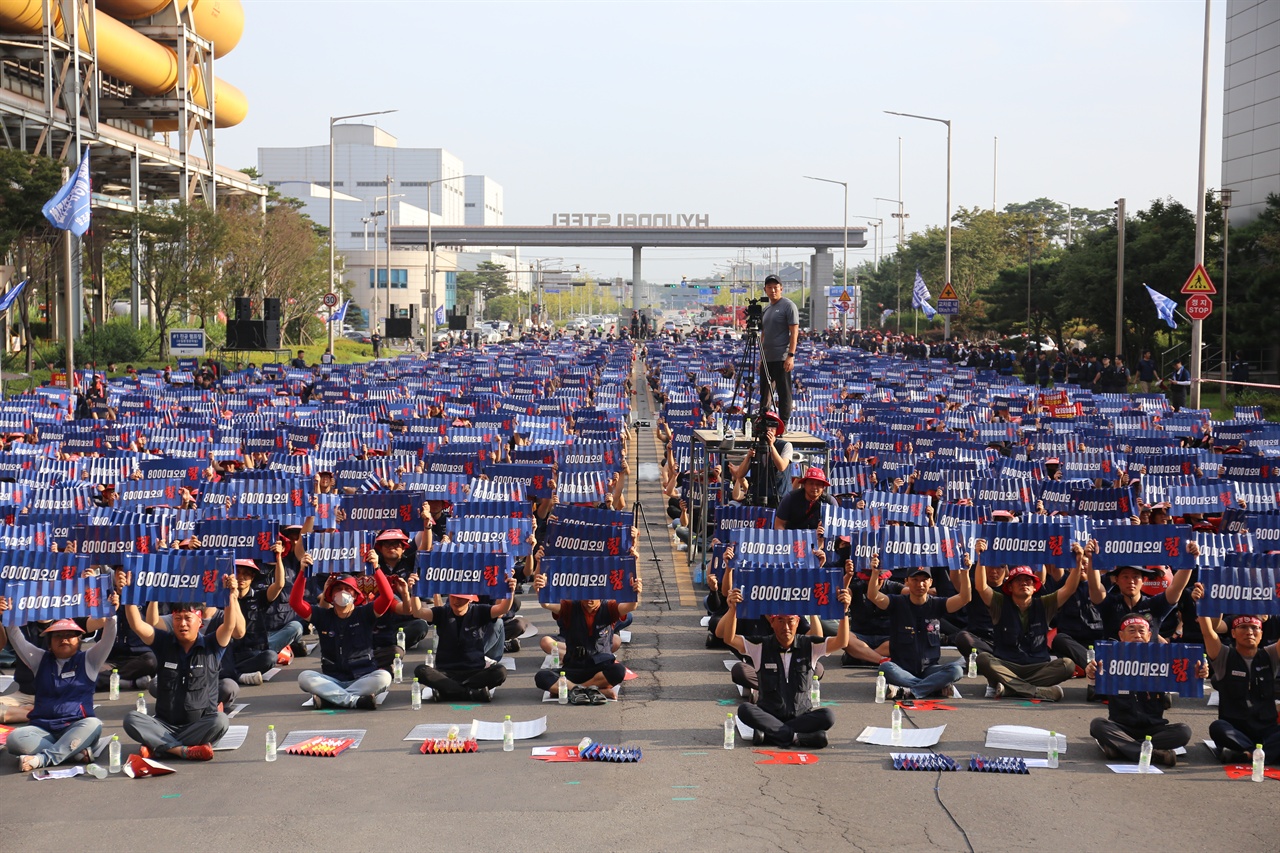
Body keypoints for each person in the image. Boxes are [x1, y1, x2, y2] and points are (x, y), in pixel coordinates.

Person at [717, 565, 851, 749]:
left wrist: (843, 612)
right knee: (745, 710)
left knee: (828, 716)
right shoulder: (761, 645)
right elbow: (729, 638)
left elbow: (842, 642)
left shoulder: (809, 644)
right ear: (772, 622)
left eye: (790, 621)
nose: (786, 627)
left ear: (798, 622)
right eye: (780, 621)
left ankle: (772, 735)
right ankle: (796, 737)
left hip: (801, 716)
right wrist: (733, 609)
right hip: (769, 714)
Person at [120, 576, 240, 762]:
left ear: (199, 621)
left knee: (220, 721)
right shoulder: (163, 642)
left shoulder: (212, 645)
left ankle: (160, 747)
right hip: (165, 724)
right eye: (177, 619)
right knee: (131, 719)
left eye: (187, 618)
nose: (182, 623)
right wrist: (127, 593)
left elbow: (230, 625)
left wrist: (231, 595)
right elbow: (137, 625)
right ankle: (181, 750)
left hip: (199, 725)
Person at [0, 602, 115, 771]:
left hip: (77, 726)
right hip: (43, 728)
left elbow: (109, 637)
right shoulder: (39, 659)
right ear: (49, 643)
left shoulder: (89, 660)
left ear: (79, 640)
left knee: (94, 724)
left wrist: (111, 612)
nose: (64, 639)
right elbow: (17, 638)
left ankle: (42, 759)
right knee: (15, 739)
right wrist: (7, 613)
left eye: (70, 635)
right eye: (58, 636)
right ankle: (73, 752)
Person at [972, 540, 1086, 701]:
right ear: (1010, 587)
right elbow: (981, 587)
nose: (1024, 583)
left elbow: (1069, 589)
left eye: (1028, 581)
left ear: (1035, 587)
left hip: (1037, 666)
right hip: (1007, 665)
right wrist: (980, 557)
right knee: (983, 659)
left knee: (1067, 665)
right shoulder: (999, 603)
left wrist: (1079, 560)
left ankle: (1011, 688)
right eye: (1018, 580)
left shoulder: (1044, 604)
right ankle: (1035, 691)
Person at [1086, 614, 1203, 767]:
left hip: (1154, 729)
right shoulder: (1109, 659)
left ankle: (1122, 749)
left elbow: (1185, 681)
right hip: (1122, 726)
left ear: (1149, 636)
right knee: (1098, 725)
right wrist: (1091, 673)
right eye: (1132, 631)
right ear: (1121, 636)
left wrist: (1198, 673)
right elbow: (1095, 681)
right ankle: (1153, 754)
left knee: (1183, 731)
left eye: (1142, 631)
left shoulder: (1163, 660)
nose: (1137, 635)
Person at [289, 570, 395, 710]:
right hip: (332, 679)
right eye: (338, 589)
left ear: (355, 594)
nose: (342, 592)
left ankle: (330, 699)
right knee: (304, 677)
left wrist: (376, 569)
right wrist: (303, 572)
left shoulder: (365, 613)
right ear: (331, 595)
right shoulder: (322, 616)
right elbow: (295, 603)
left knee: (384, 677)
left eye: (347, 589)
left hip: (363, 677)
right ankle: (355, 701)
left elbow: (387, 598)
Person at [866, 561, 972, 701]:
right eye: (915, 580)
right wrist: (875, 573)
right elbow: (873, 595)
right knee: (885, 667)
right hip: (902, 669)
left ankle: (911, 690)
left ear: (931, 582)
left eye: (924, 580)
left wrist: (965, 572)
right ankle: (934, 688)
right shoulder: (897, 603)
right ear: (906, 582)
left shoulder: (937, 604)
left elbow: (965, 598)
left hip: (930, 670)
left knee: (956, 670)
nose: (919, 584)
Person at [532, 571, 642, 703]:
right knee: (542, 676)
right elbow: (547, 604)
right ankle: (593, 690)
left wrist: (635, 592)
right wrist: (541, 590)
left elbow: (631, 606)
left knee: (618, 671)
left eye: (594, 596)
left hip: (599, 667)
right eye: (586, 595)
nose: (589, 600)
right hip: (574, 667)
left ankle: (574, 690)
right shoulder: (570, 606)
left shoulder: (609, 607)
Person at [403, 576, 519, 702]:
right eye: (453, 597)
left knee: (500, 671)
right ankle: (470, 692)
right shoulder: (442, 612)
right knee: (421, 670)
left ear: (470, 600)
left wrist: (510, 591)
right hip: (446, 673)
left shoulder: (480, 611)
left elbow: (503, 609)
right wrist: (414, 592)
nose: (456, 601)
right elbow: (418, 612)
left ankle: (449, 691)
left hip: (474, 672)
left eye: (461, 599)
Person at [1197, 608, 1280, 764]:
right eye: (1243, 627)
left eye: (1254, 627)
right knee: (1217, 727)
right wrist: (1203, 604)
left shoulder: (1270, 655)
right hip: (1235, 730)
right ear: (1233, 633)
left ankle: (1247, 755)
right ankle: (1262, 753)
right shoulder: (1224, 655)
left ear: (1261, 634)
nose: (1249, 631)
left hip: (1266, 729)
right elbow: (1208, 632)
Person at [728, 410, 793, 507]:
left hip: (779, 498)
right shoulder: (755, 446)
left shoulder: (786, 446)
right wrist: (748, 457)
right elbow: (740, 474)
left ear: (776, 429)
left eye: (772, 426)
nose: (769, 430)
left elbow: (782, 467)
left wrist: (771, 446)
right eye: (767, 426)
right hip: (757, 497)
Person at [758, 274, 799, 429]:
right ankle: (764, 420)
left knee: (784, 392)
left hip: (782, 356)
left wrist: (791, 355)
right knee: (765, 392)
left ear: (781, 288)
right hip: (767, 358)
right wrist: (761, 357)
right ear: (765, 290)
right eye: (769, 287)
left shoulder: (788, 306)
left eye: (775, 287)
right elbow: (764, 334)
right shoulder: (766, 309)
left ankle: (784, 423)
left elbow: (794, 332)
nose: (773, 290)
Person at [773, 467, 838, 531]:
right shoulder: (790, 498)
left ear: (823, 487)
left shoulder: (830, 502)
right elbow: (779, 524)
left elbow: (836, 528)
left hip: (819, 539)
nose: (814, 487)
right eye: (811, 483)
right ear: (804, 484)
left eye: (818, 484)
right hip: (792, 538)